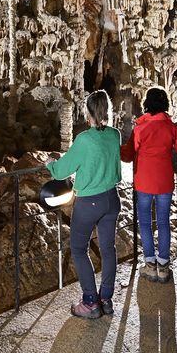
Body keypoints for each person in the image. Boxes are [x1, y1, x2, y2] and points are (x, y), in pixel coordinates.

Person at [46, 90, 121, 319]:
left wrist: (51, 164)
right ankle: (106, 299)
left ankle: (90, 302)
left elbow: (61, 171)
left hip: (89, 202)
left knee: (79, 249)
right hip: (112, 199)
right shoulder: (115, 134)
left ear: (88, 112)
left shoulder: (85, 139)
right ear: (106, 111)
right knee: (108, 249)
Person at [121, 87, 177, 283]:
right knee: (163, 222)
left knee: (144, 222)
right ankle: (163, 265)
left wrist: (120, 149)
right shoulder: (172, 128)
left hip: (143, 181)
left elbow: (128, 155)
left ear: (147, 104)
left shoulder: (140, 128)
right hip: (164, 182)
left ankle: (149, 263)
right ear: (165, 105)